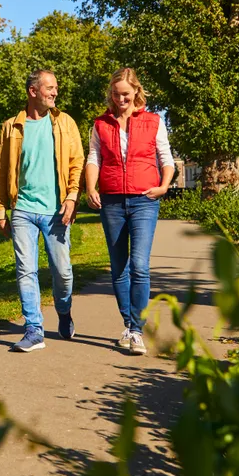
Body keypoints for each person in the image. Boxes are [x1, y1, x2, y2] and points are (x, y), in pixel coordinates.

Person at [84, 67, 175, 355]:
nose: (120, 98)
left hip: (145, 199)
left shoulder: (153, 121)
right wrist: (90, 188)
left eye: (125, 93)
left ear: (136, 91)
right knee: (118, 267)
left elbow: (166, 158)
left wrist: (164, 186)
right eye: (115, 93)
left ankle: (137, 330)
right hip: (111, 201)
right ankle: (127, 323)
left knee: (140, 265)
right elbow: (93, 158)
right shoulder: (101, 124)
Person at [0, 68, 85, 352]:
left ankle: (64, 310)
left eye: (55, 87)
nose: (55, 92)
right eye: (49, 88)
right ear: (33, 91)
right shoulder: (11, 127)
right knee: (25, 269)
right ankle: (33, 329)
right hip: (22, 208)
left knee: (63, 272)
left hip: (57, 210)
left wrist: (72, 197)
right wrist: (0, 209)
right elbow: (1, 171)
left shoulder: (65, 123)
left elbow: (77, 163)